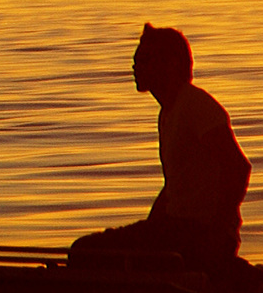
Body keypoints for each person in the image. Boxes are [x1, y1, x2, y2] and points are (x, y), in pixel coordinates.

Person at [71, 24, 252, 274]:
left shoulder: (196, 105)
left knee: (86, 250)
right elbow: (176, 187)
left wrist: (218, 233)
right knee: (88, 250)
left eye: (145, 59)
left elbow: (237, 166)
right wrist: (150, 226)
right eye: (135, 60)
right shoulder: (168, 112)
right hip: (175, 227)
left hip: (197, 231)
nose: (135, 67)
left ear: (172, 64)